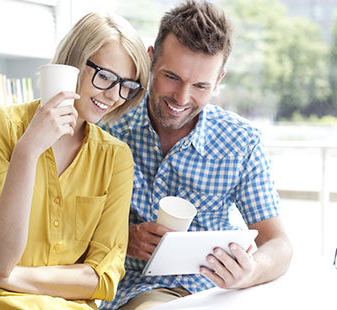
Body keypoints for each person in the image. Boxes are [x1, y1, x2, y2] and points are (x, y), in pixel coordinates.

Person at [0, 12, 149, 310]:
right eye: (105, 77)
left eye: (127, 85)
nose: (115, 96)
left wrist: (4, 277)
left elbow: (101, 280)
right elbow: (0, 260)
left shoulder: (115, 157)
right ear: (73, 64)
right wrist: (28, 150)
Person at [99, 1, 293, 309]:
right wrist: (122, 237)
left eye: (201, 85)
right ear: (150, 60)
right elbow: (63, 227)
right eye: (172, 77)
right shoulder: (107, 127)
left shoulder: (241, 141)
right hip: (131, 290)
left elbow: (279, 244)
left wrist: (251, 270)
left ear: (218, 81)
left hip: (212, 294)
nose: (182, 98)